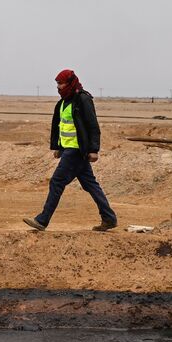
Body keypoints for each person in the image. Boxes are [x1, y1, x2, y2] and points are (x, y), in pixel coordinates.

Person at [24, 69, 118, 232]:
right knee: (90, 184)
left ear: (70, 83)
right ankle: (109, 218)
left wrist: (94, 149)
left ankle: (42, 220)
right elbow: (62, 127)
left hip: (76, 150)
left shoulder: (83, 99)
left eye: (61, 83)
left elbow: (92, 125)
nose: (58, 87)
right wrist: (59, 147)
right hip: (69, 149)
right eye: (57, 84)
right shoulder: (62, 103)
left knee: (57, 181)